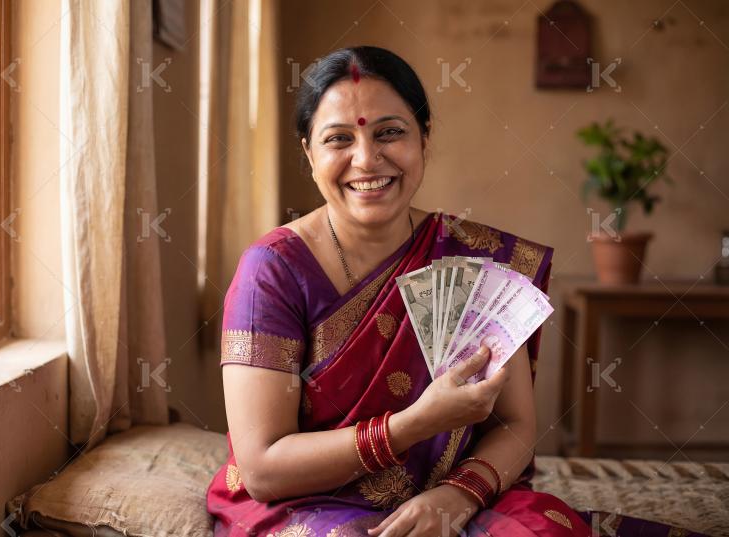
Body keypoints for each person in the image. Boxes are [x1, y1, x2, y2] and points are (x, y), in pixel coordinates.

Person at [206, 46, 704, 537]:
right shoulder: (271, 271)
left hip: (453, 489)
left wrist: (458, 496)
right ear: (308, 153)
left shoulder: (476, 261)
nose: (366, 158)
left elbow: (514, 426)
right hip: (312, 498)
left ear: (425, 138)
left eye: (391, 133)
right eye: (338, 139)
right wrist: (411, 426)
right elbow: (263, 469)